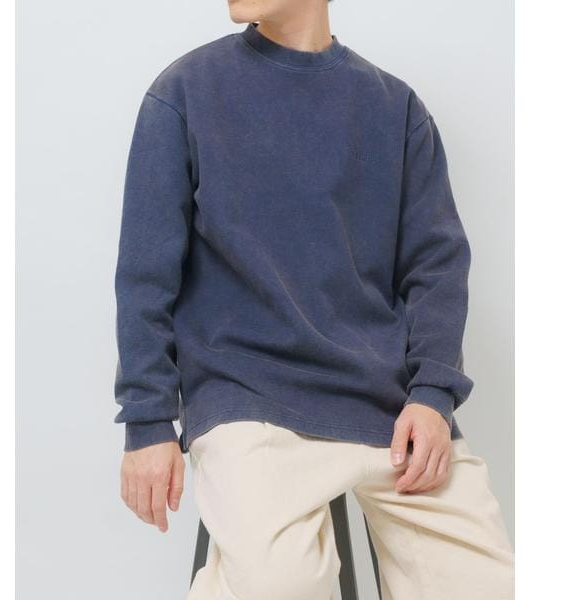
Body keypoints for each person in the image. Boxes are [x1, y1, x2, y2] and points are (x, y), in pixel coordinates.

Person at [113, 1, 515, 598]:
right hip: (248, 397)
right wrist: (147, 421)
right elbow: (145, 276)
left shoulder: (396, 110)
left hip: (389, 408)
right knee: (282, 584)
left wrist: (432, 397)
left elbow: (437, 267)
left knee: (484, 584)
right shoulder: (185, 93)